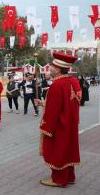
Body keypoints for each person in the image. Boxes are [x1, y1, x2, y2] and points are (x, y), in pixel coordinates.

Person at [34, 52, 81, 188]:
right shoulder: (73, 81)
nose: (50, 69)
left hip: (59, 125)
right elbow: (65, 103)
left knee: (57, 151)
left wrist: (46, 126)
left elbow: (53, 111)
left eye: (52, 67)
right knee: (68, 150)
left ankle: (59, 179)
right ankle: (69, 176)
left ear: (59, 69)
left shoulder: (57, 85)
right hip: (70, 124)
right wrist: (43, 103)